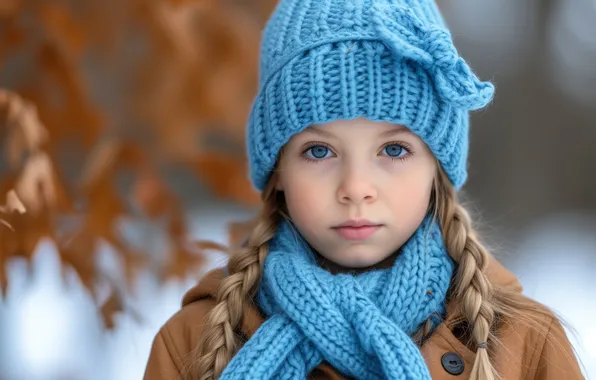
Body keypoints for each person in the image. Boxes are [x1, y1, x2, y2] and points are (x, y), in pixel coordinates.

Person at [144, 0, 584, 379]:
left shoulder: (524, 346)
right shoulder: (194, 341)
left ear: (437, 168)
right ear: (278, 170)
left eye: (393, 149)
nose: (356, 189)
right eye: (318, 152)